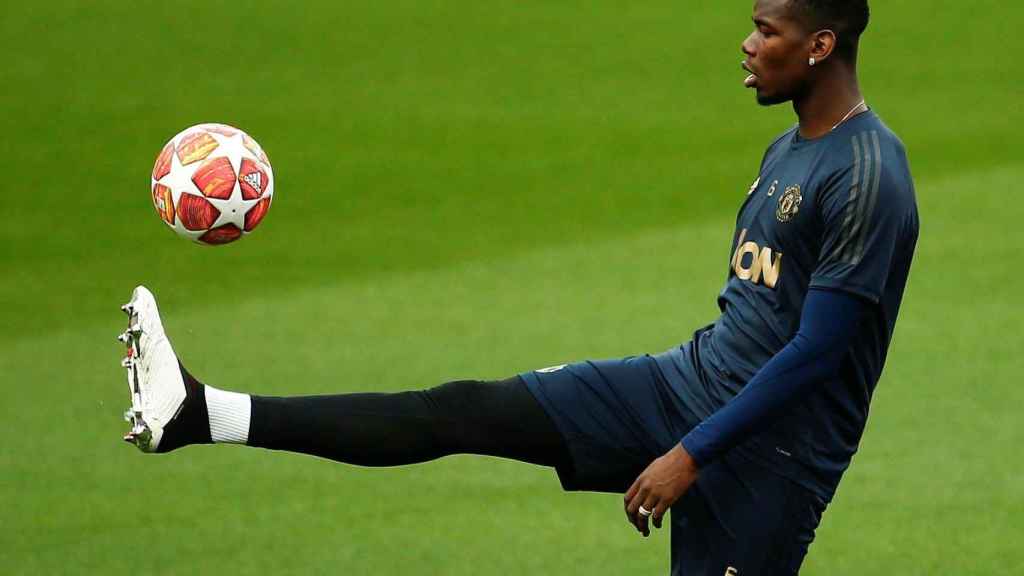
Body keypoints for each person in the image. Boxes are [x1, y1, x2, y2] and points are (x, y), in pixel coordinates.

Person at [118, 0, 918, 573]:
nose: (746, 44)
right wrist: (685, 431)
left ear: (818, 44)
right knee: (462, 410)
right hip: (691, 387)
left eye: (765, 30)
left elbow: (817, 353)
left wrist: (690, 455)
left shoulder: (868, 176)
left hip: (769, 458)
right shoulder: (788, 148)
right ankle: (200, 415)